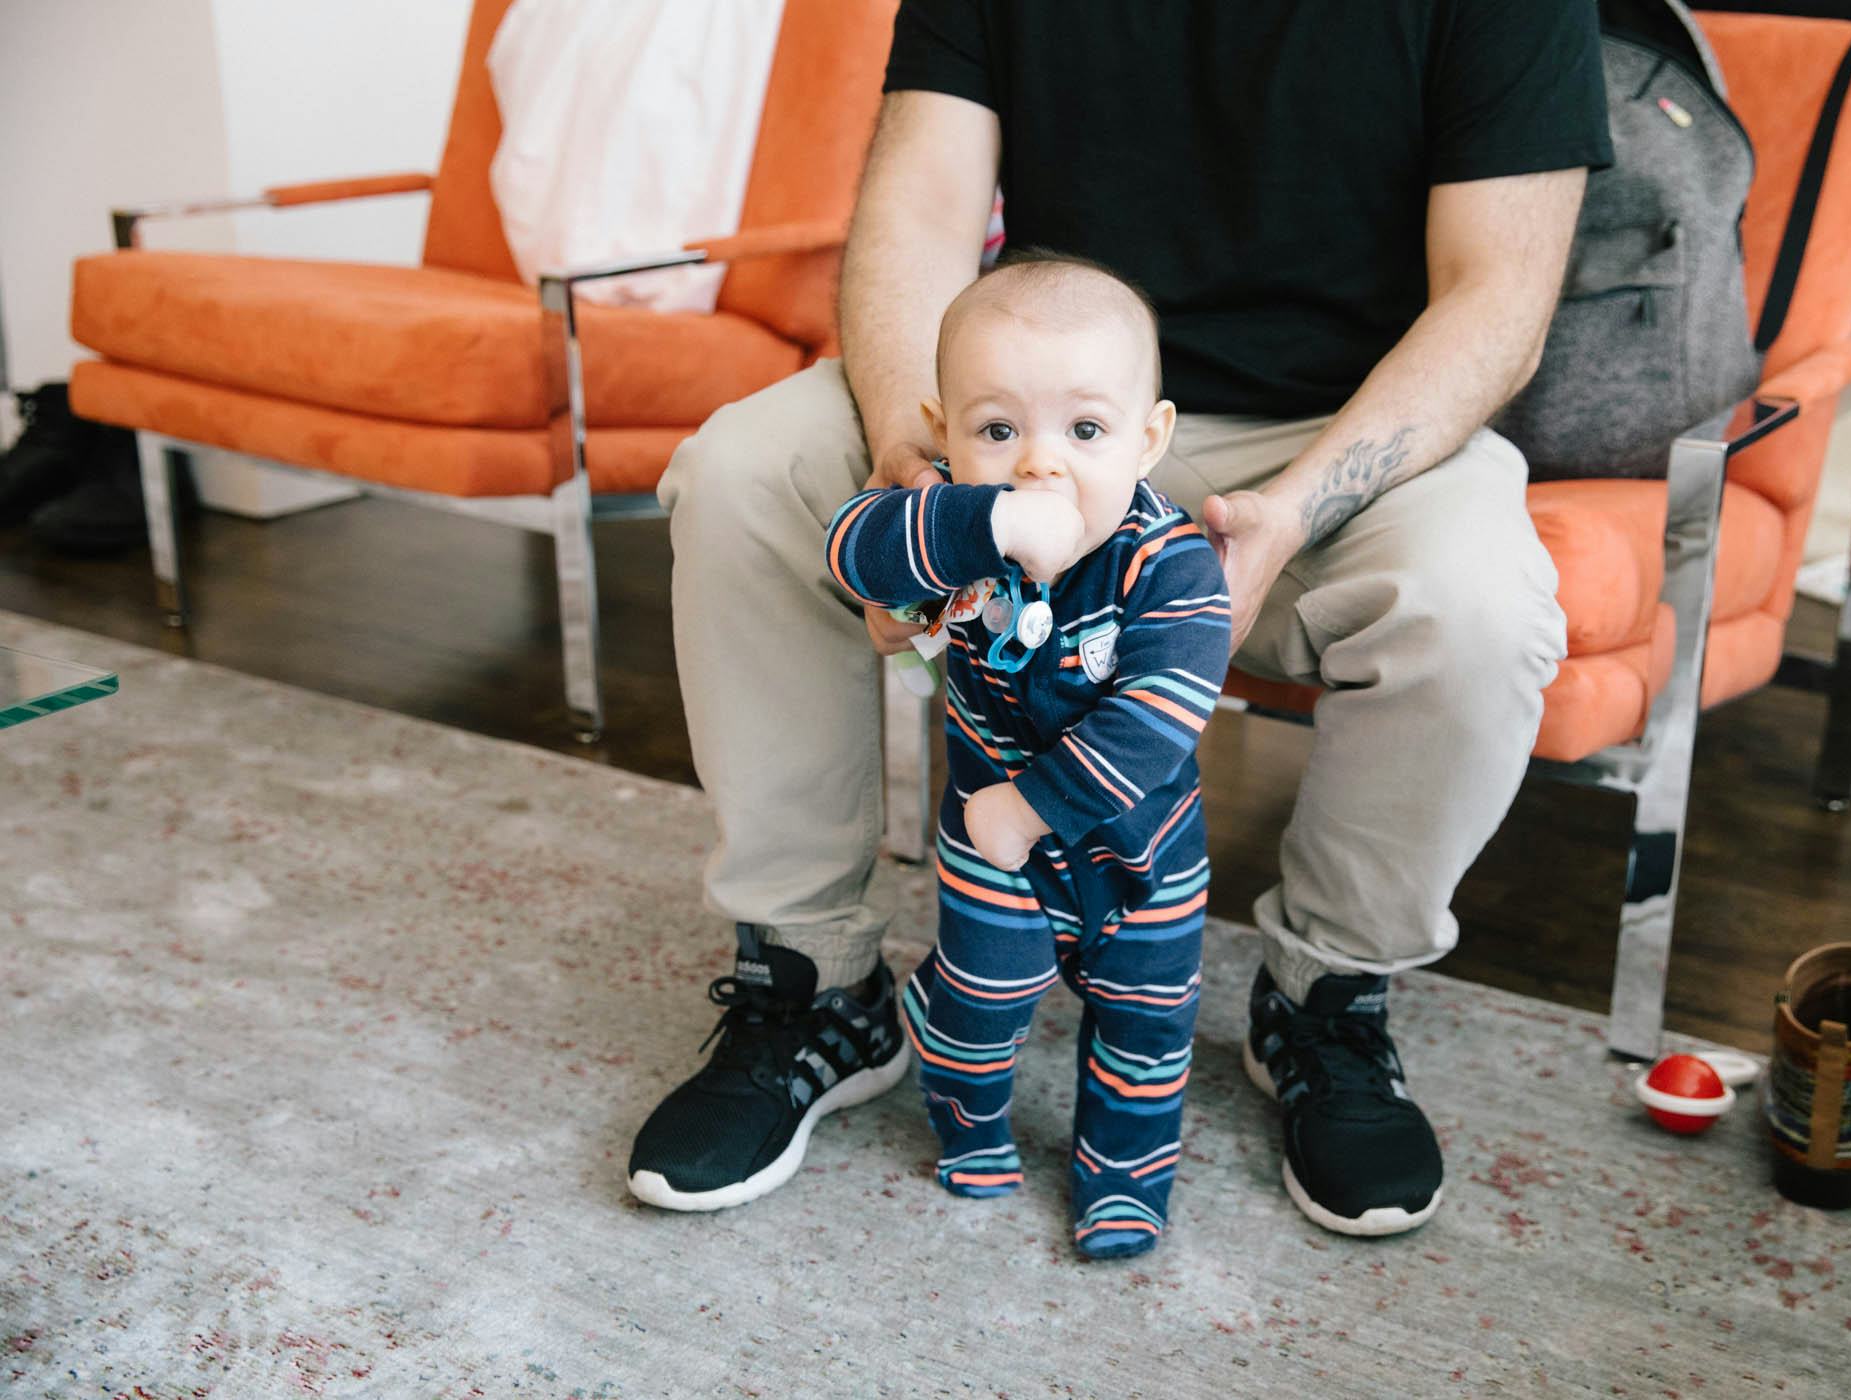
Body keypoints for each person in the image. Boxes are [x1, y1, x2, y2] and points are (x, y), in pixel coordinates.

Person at [630, 0, 1612, 1237]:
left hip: (1331, 425)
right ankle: (815, 982)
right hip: (1028, 408)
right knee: (743, 475)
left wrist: (1295, 513)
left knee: (1473, 605)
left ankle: (1325, 997)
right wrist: (908, 455)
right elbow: (923, 217)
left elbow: (1498, 299)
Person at [825, 253, 1227, 1258]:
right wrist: (980, 518)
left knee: (1146, 1025)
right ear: (948, 433)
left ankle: (1125, 1174)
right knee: (979, 999)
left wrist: (1031, 805)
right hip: (993, 861)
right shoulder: (961, 534)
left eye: (1085, 431)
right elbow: (850, 550)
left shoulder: (1170, 566)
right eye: (999, 430)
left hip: (1142, 859)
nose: (1040, 463)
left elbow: (1154, 720)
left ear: (1150, 436)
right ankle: (968, 1117)